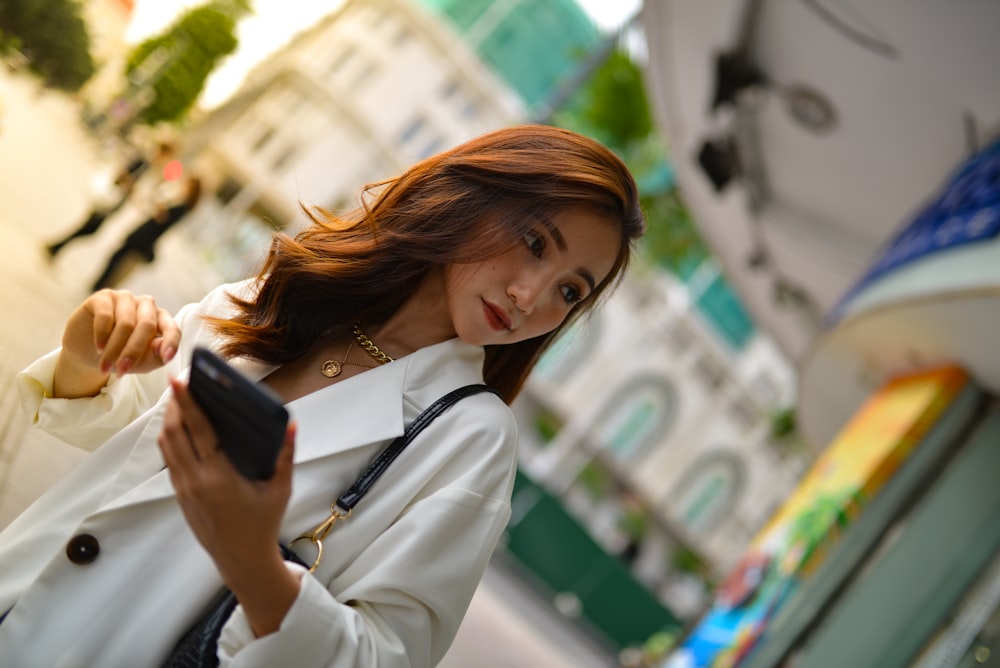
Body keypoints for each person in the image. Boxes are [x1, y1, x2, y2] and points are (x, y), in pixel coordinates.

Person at [0, 125, 645, 666]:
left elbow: (384, 654)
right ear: (470, 197)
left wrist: (252, 557)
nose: (531, 297)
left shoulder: (471, 440)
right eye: (534, 243)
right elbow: (138, 442)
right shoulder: (282, 295)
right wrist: (89, 357)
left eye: (570, 291)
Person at [45, 143, 175, 258]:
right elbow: (122, 174)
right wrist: (133, 191)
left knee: (89, 228)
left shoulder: (150, 167)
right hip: (110, 197)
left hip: (114, 203)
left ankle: (56, 247)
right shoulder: (143, 161)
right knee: (90, 229)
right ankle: (55, 247)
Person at [90, 174, 203, 291]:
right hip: (145, 234)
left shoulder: (182, 207)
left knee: (118, 259)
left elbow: (162, 218)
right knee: (118, 258)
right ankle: (99, 285)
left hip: (145, 237)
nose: (184, 184)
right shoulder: (181, 203)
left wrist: (160, 206)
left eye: (188, 184)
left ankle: (98, 286)